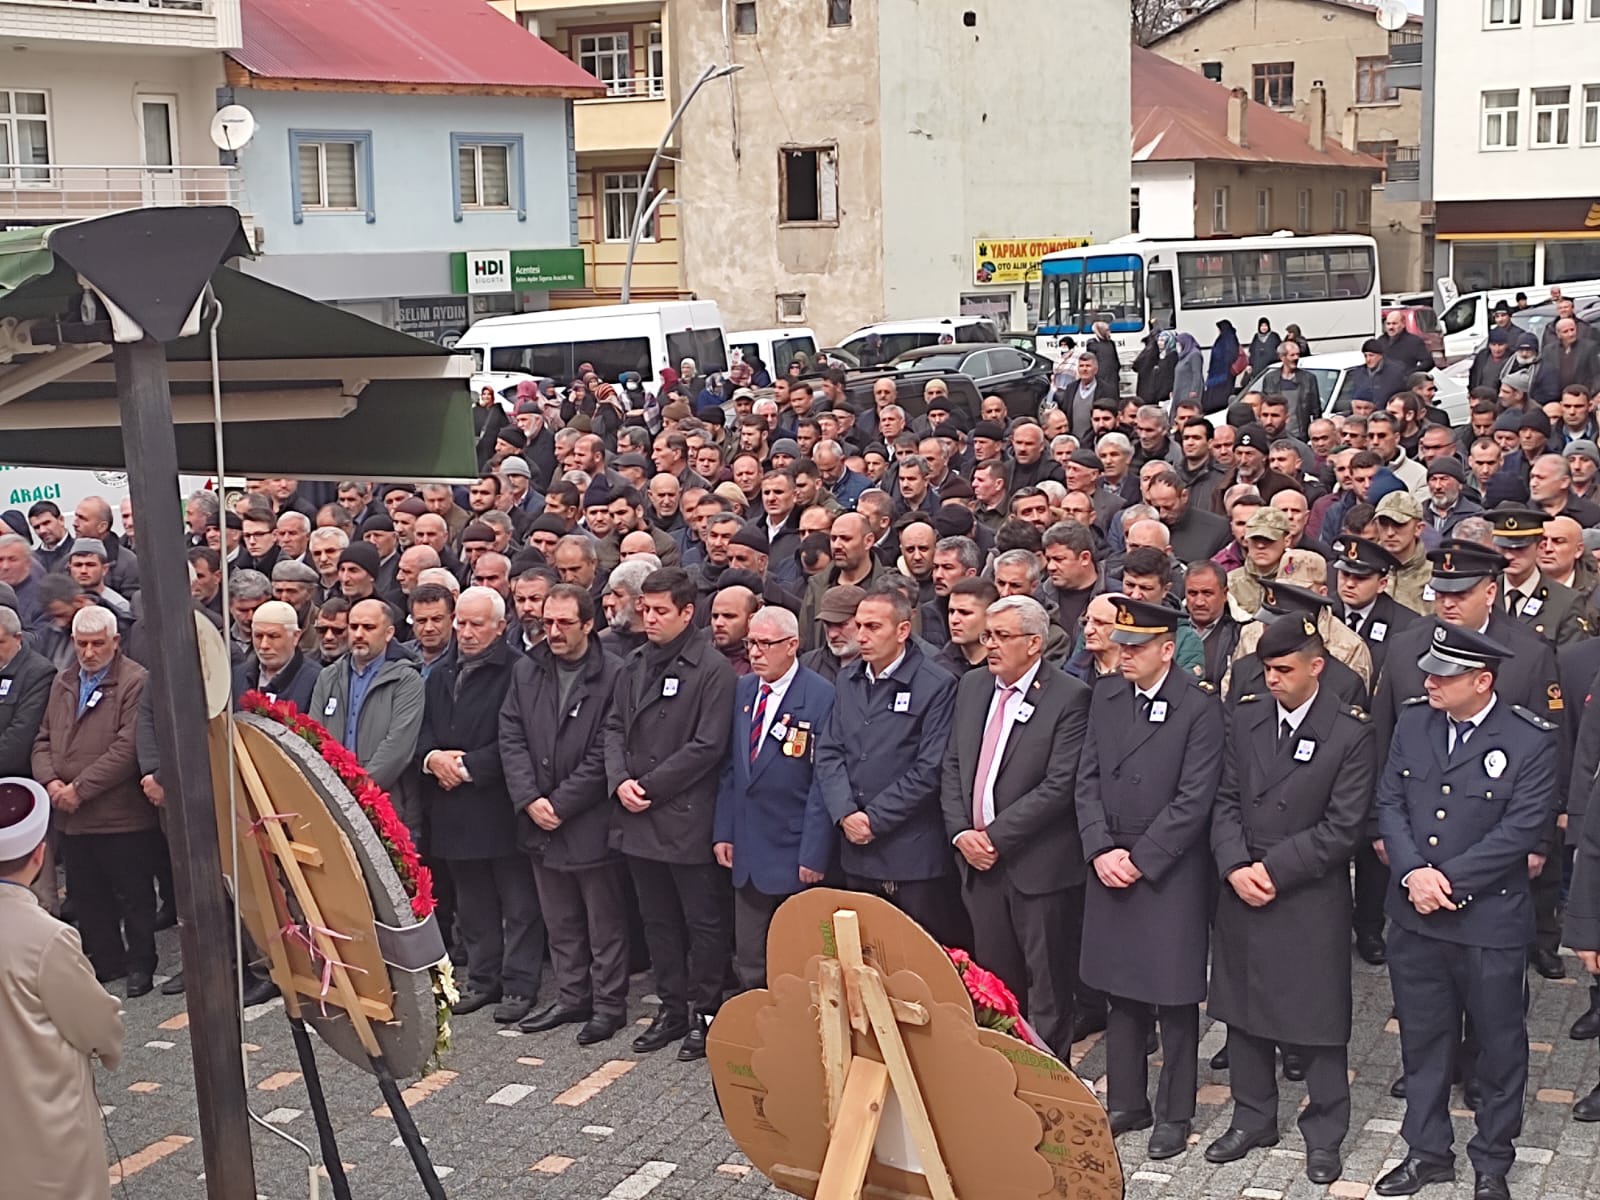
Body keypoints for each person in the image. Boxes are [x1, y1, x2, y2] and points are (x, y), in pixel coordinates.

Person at [1373, 624, 1555, 1200]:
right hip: (1416, 917)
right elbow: (1390, 803)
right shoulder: (1415, 723)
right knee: (1423, 1042)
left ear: (1482, 681)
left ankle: (1492, 1160)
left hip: (1488, 922)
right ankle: (1427, 1152)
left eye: (1444, 676)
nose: (1430, 682)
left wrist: (1445, 880)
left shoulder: (1528, 740)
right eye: (1429, 671)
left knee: (1499, 1047)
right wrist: (1412, 874)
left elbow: (1520, 830)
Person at [1205, 616, 1376, 1184]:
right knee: (1243, 1008)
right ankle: (1253, 1117)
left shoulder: (1350, 732)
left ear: (1316, 667)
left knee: (1316, 1018)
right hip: (1243, 882)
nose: (1272, 679)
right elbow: (1225, 798)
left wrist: (1272, 870)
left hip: (1306, 890)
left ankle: (1324, 1133)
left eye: (1284, 669)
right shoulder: (1247, 716)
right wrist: (1234, 865)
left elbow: (1343, 827)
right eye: (1266, 669)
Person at [1077, 596, 1223, 1161]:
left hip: (1167, 869)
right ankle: (1127, 1101)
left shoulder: (1198, 707)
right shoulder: (1107, 695)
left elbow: (1194, 798)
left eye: (1136, 647)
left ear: (1167, 650)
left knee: (1173, 995)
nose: (1125, 655)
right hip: (1110, 858)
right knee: (1120, 990)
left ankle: (1175, 1112)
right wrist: (1099, 848)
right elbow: (1086, 778)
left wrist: (1142, 858)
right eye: (1122, 645)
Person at [939, 595, 1091, 1058]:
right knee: (995, 987)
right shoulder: (972, 686)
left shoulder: (1069, 696)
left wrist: (995, 838)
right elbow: (953, 765)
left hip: (1037, 868)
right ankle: (1002, 1073)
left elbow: (1059, 785)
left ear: (1034, 643)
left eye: (1002, 636)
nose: (990, 645)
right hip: (978, 866)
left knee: (1047, 988)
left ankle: (1051, 1078)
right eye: (987, 635)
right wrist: (961, 833)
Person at [603, 567, 736, 1060]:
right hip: (637, 812)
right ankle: (672, 1006)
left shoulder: (713, 669)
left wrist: (650, 786)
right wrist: (619, 780)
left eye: (661, 611)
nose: (651, 618)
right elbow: (613, 727)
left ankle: (705, 1011)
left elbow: (708, 745)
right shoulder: (635, 662)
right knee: (656, 919)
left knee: (702, 922)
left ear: (687, 612)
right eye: (646, 609)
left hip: (685, 813)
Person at [501, 583, 631, 1046]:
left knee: (603, 922)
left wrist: (560, 803)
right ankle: (572, 995)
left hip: (589, 819)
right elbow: (511, 734)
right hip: (538, 817)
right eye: (547, 622)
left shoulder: (615, 674)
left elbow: (608, 749)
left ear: (589, 624)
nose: (553, 631)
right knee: (559, 920)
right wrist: (529, 798)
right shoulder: (527, 668)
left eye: (563, 623)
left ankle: (609, 1005)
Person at [809, 585, 963, 945]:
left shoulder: (937, 684)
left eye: (873, 627)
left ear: (903, 630)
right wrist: (845, 812)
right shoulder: (848, 678)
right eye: (859, 625)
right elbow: (829, 751)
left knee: (914, 956)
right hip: (854, 848)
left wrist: (874, 819)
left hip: (911, 854)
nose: (861, 636)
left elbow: (930, 768)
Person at [419, 587, 542, 1024]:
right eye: (461, 624)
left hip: (499, 804)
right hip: (452, 807)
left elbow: (520, 737)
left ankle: (520, 984)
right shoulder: (440, 673)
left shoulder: (519, 671)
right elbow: (424, 728)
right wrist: (432, 758)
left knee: (519, 904)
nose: (466, 633)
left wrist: (467, 767)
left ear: (500, 627)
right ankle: (482, 978)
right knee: (473, 905)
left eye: (476, 625)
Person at [0, 778, 125, 1200]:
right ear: (40, 855)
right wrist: (109, 1045)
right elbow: (95, 1023)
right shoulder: (47, 937)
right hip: (40, 1115)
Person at [32, 605, 154, 995]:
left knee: (133, 894)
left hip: (120, 815)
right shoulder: (63, 681)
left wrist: (79, 788)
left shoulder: (135, 681)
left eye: (97, 644)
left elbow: (127, 749)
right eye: (82, 644)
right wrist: (51, 781)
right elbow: (43, 738)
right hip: (71, 816)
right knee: (87, 894)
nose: (88, 652)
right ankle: (106, 960)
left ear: (115, 641)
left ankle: (141, 963)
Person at [713, 605, 835, 990]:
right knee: (750, 955)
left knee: (796, 957)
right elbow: (732, 769)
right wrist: (724, 831)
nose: (755, 652)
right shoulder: (745, 689)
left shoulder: (820, 696)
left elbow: (822, 783)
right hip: (748, 845)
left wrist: (814, 853)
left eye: (766, 644)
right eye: (751, 643)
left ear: (792, 645)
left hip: (793, 846)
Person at [308, 598, 426, 838]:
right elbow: (313, 735)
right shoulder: (328, 676)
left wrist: (358, 790)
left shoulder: (406, 679)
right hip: (330, 801)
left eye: (369, 627)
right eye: (353, 627)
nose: (359, 634)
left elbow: (398, 746)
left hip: (386, 805)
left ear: (389, 633)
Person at [232, 599, 318, 711]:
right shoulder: (237, 676)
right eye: (258, 636)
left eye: (273, 636)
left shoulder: (316, 680)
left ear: (295, 636)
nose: (264, 645)